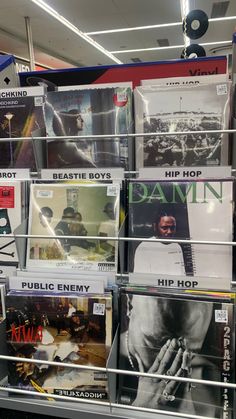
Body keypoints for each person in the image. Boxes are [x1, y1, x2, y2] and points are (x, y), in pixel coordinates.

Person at [120, 292, 220, 416]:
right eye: (159, 346)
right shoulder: (101, 358)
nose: (175, 361)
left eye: (192, 350)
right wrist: (139, 410)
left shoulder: (210, 377)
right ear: (129, 303)